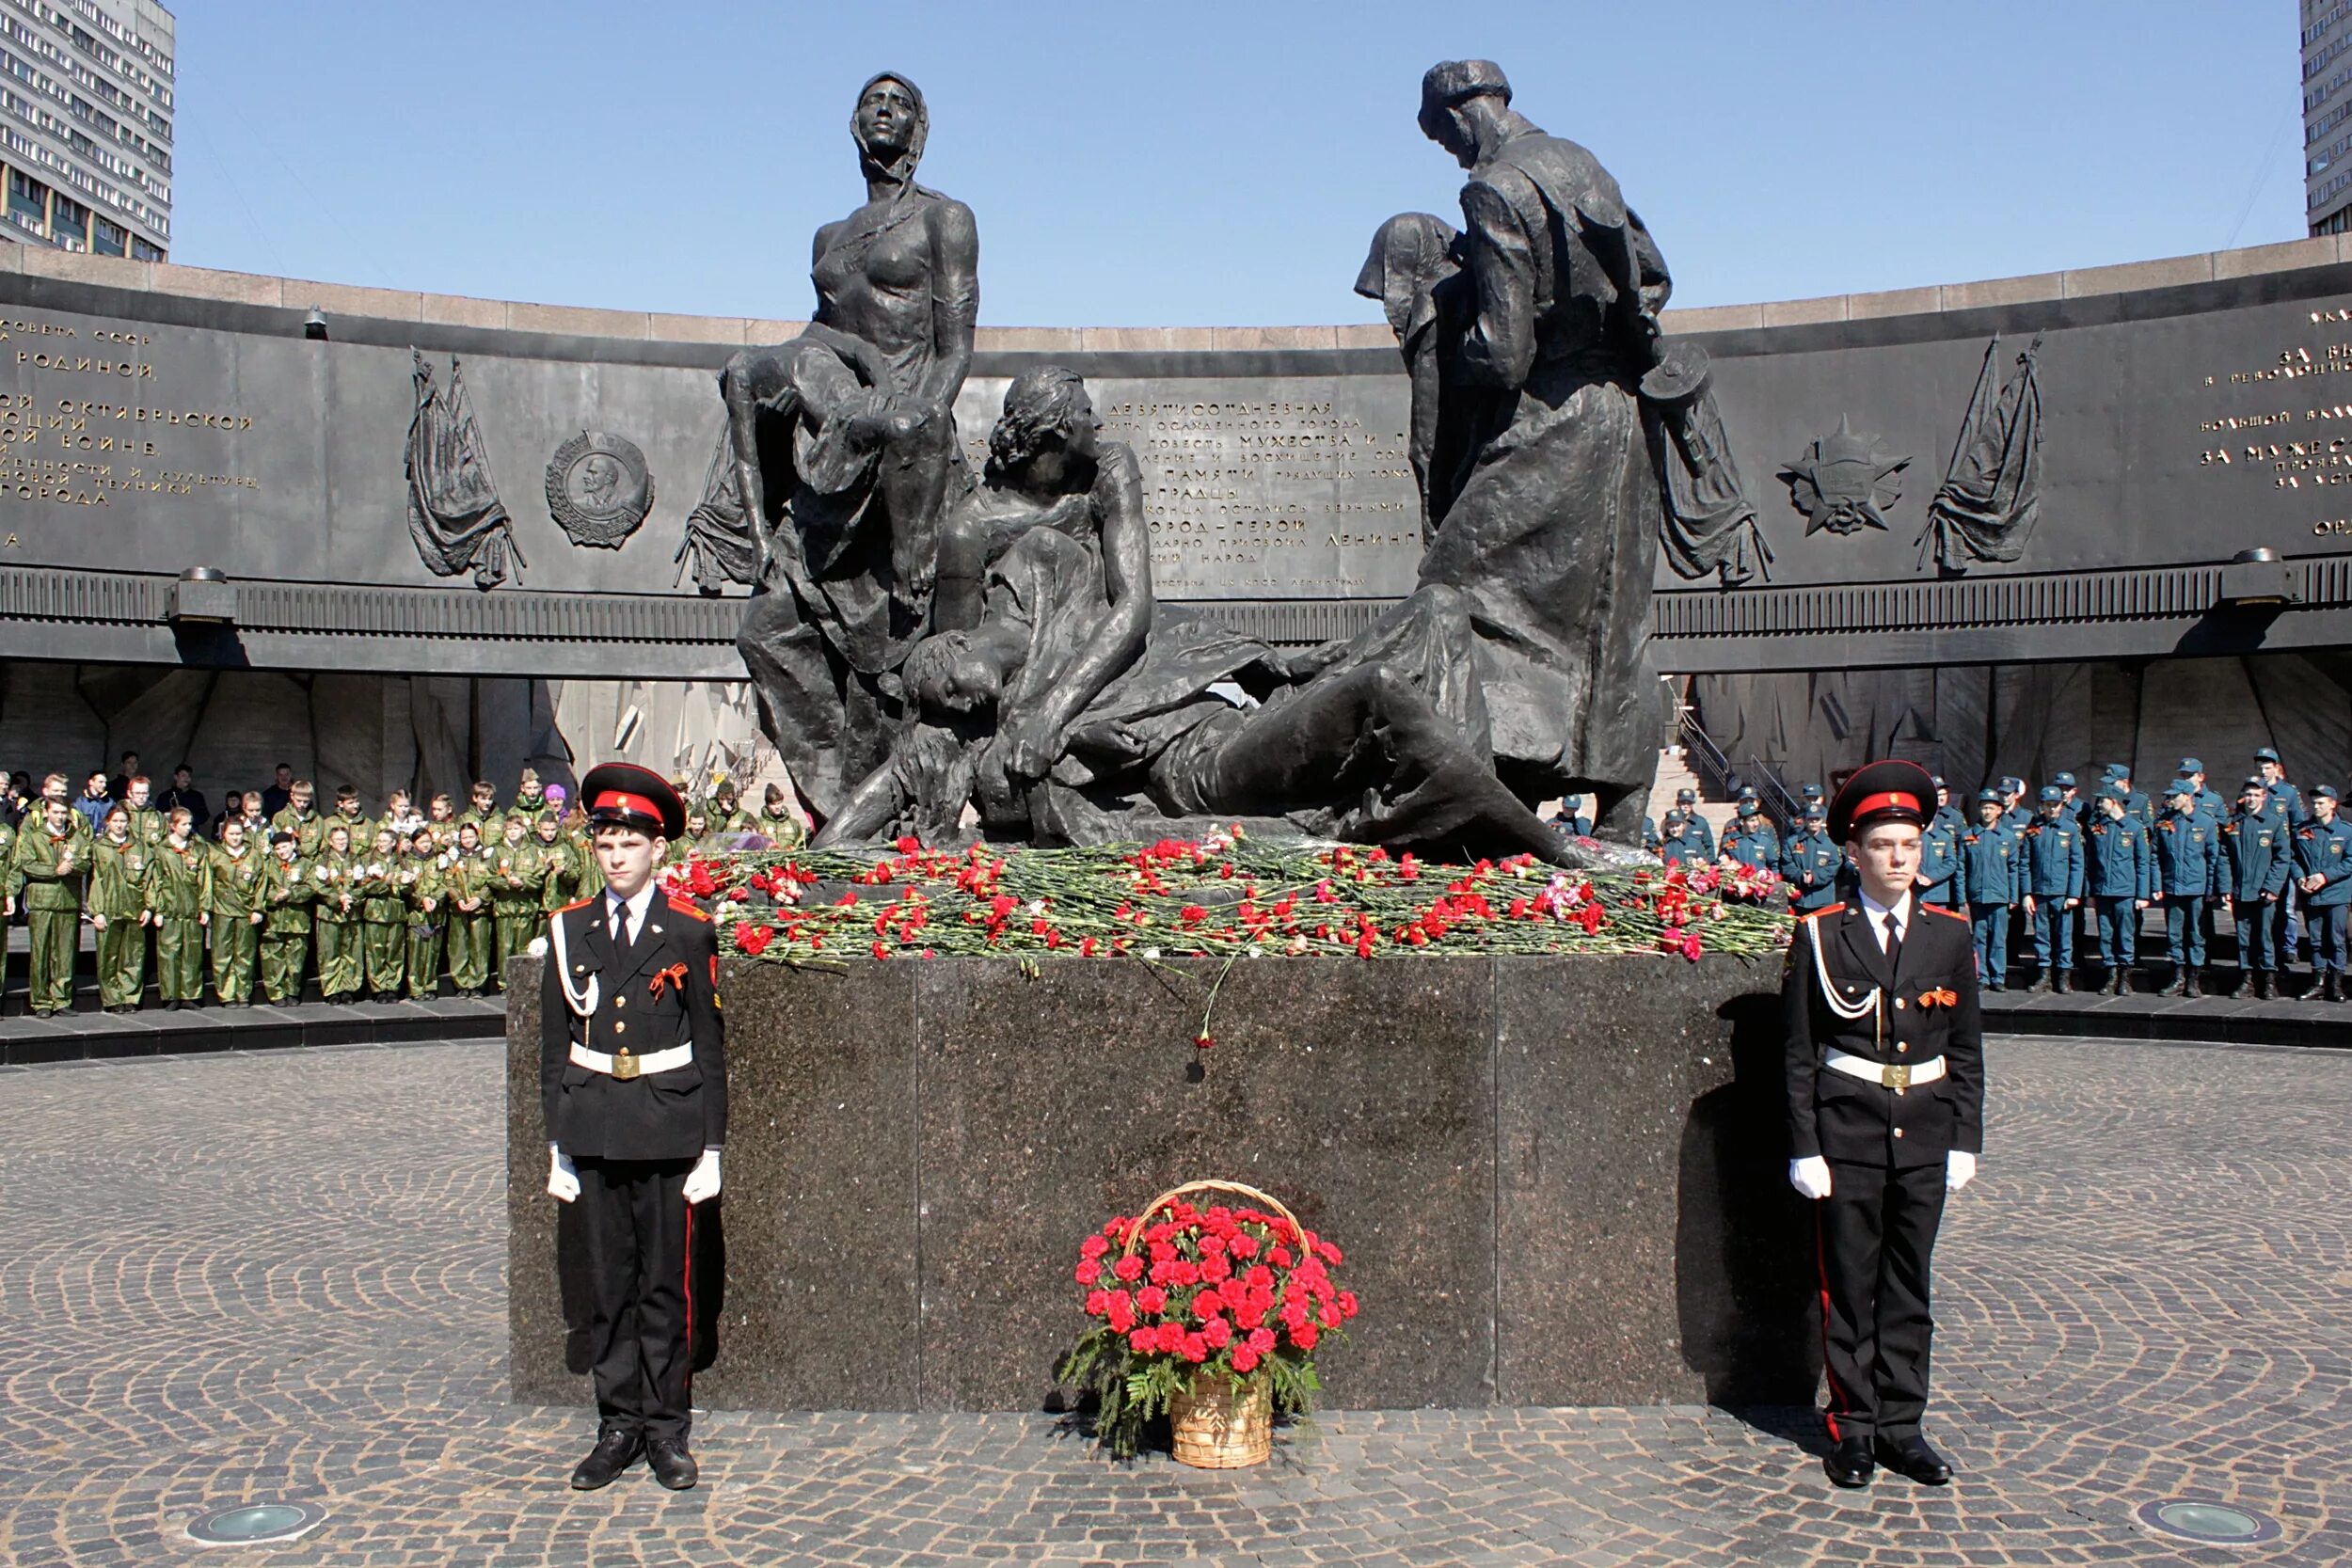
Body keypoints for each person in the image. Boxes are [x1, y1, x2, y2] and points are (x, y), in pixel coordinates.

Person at [1782, 759, 1982, 1490]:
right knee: (1850, 1289)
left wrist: (1965, 1137)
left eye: (1910, 844)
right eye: (1884, 846)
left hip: (1925, 1133)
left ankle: (1905, 1426)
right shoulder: (1822, 935)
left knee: (1910, 1287)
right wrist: (1806, 1146)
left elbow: (1966, 1048)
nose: (1899, 858)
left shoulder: (1950, 935)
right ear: (1853, 852)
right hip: (1850, 1137)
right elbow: (1800, 1053)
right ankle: (1853, 1428)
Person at [542, 764, 727, 1492]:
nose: (617, 857)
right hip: (594, 1126)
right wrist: (557, 1140)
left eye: (630, 843)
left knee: (664, 1287)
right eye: (607, 843)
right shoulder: (569, 930)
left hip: (668, 1127)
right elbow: (555, 1048)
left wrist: (712, 1145)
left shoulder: (686, 931)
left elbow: (708, 1047)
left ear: (659, 849)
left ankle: (666, 1428)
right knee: (609, 1286)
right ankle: (616, 1422)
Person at [9, 796, 85, 1014]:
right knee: (41, 953)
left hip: (68, 901)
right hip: (42, 900)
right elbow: (28, 864)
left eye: (64, 813)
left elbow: (86, 860)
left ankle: (61, 999)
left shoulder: (76, 837)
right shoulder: (34, 836)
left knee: (65, 954)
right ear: (46, 813)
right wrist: (54, 870)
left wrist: (74, 866)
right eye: (56, 812)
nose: (60, 817)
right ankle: (41, 1001)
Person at [2221, 776, 2291, 1000]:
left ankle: (2269, 981)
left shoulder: (2274, 823)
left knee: (2265, 937)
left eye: (2256, 794)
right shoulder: (2233, 824)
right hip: (2241, 891)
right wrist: (2226, 887)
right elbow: (2224, 858)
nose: (2251, 798)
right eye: (2248, 794)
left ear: (2264, 796)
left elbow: (2282, 858)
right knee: (2244, 938)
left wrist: (2272, 887)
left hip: (2264, 893)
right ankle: (2247, 980)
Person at [2153, 779, 2222, 997]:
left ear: (2187, 796)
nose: (2170, 800)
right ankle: (2177, 978)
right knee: (2174, 934)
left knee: (2196, 934)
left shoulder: (2206, 822)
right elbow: (2155, 856)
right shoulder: (2164, 822)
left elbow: (2213, 858)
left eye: (2175, 796)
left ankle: (2194, 979)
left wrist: (2211, 889)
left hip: (2196, 888)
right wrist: (2157, 884)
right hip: (2173, 887)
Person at [2082, 783, 2153, 994]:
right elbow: (2091, 864)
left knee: (2125, 934)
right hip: (2103, 891)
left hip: (2125, 891)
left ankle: (2125, 975)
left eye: (2102, 800)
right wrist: (2091, 892)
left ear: (2113, 801)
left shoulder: (2135, 828)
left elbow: (2143, 863)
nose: (2098, 805)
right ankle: (2111, 973)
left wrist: (2142, 894)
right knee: (2105, 934)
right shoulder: (2099, 828)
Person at [2018, 786, 2083, 992]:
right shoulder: (2034, 828)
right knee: (2041, 935)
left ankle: (2064, 976)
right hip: (2039, 892)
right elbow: (2024, 863)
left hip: (2061, 892)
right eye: (2048, 805)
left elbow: (2077, 863)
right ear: (2042, 806)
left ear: (2062, 806)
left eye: (2056, 805)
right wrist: (2027, 893)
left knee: (2064, 935)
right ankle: (2044, 975)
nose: (2052, 809)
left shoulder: (2070, 828)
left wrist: (2073, 894)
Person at [2293, 784, 2352, 1002]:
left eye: (2321, 803)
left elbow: (2350, 862)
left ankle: (2336, 985)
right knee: (2316, 940)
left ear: (2332, 804)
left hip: (2336, 893)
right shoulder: (2302, 831)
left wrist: (2324, 877)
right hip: (2311, 895)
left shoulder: (2346, 831)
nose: (2316, 807)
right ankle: (2318, 982)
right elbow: (2293, 859)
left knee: (2336, 940)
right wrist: (2300, 877)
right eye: (2314, 803)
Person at [144, 809, 208, 1009]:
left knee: (192, 953)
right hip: (170, 909)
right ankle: (171, 995)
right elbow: (155, 881)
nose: (188, 828)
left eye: (190, 824)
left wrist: (205, 908)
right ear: (173, 825)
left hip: (191, 909)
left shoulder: (197, 849)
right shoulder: (161, 850)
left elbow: (205, 880)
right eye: (184, 824)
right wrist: (158, 910)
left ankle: (190, 994)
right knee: (169, 954)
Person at [88, 804, 150, 1013]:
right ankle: (112, 998)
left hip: (134, 908)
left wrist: (149, 907)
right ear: (107, 822)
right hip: (110, 908)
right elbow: (96, 879)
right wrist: (97, 911)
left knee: (132, 956)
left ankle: (130, 995)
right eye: (115, 821)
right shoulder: (100, 847)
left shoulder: (140, 847)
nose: (119, 825)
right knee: (108, 956)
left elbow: (150, 880)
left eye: (123, 821)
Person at [1960, 788, 2018, 990]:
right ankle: (1981, 977)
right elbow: (1961, 868)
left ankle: (1998, 977)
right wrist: (1962, 897)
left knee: (1999, 939)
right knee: (1979, 938)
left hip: (2000, 896)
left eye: (1991, 808)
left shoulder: (2008, 837)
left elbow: (2014, 869)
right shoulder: (1968, 836)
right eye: (1984, 808)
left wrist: (2014, 896)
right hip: (1977, 896)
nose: (1987, 812)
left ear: (1999, 811)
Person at [207, 816, 266, 1006]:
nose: (235, 837)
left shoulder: (253, 854)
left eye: (238, 834)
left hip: (246, 910)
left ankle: (243, 993)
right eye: (231, 834)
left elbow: (261, 883)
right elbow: (207, 882)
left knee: (245, 954)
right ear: (224, 834)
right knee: (222, 953)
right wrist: (207, 908)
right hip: (222, 909)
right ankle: (226, 994)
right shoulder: (215, 853)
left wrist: (258, 908)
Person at [259, 831, 316, 1005]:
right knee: (272, 959)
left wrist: (291, 894)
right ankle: (276, 994)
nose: (282, 851)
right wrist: (274, 896)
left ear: (293, 844)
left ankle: (293, 992)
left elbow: (311, 887)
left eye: (284, 847)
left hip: (297, 920)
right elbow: (261, 888)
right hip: (274, 919)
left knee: (296, 959)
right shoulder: (269, 865)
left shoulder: (306, 864)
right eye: (277, 848)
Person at [491, 814, 548, 988]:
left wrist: (523, 883)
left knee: (523, 946)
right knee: (505, 947)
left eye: (516, 828)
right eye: (509, 829)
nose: (512, 832)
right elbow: (490, 877)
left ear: (523, 830)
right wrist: (507, 883)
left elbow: (539, 879)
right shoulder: (498, 851)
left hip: (525, 907)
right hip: (505, 907)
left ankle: (523, 983)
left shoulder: (532, 851)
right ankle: (505, 983)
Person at [311, 822, 363, 1003]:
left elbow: (364, 884)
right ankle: (333, 989)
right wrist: (338, 898)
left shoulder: (355, 859)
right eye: (337, 840)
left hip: (351, 912)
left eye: (344, 839)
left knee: (350, 952)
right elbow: (317, 886)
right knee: (330, 952)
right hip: (329, 913)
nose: (341, 842)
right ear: (330, 842)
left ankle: (349, 987)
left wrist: (351, 897)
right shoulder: (323, 860)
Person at [446, 820, 495, 997]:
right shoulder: (453, 857)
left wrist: (480, 899)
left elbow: (492, 880)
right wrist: (457, 898)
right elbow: (448, 881)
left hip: (480, 910)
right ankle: (461, 984)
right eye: (464, 837)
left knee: (479, 947)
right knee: (459, 947)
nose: (468, 840)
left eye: (471, 837)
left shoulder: (487, 856)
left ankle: (477, 984)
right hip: (459, 909)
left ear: (477, 837)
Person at [1779, 801, 1843, 913]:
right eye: (1810, 819)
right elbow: (1786, 864)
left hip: (1823, 899)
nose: (1813, 822)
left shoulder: (1831, 843)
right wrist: (1800, 875)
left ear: (1822, 820)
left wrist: (1814, 876)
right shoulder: (1792, 842)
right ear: (1804, 820)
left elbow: (1834, 866)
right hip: (1799, 899)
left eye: (1816, 819)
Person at [1721, 791, 1780, 879]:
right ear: (1742, 822)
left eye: (1756, 820)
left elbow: (1775, 866)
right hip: (1734, 885)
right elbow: (1720, 861)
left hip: (1759, 887)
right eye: (1752, 821)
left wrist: (1772, 879)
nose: (1756, 824)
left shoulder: (1765, 840)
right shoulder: (1729, 839)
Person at [1915, 806, 1965, 910]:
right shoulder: (1913, 836)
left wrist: (1931, 877)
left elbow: (1951, 863)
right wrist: (1915, 875)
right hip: (1915, 893)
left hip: (1937, 895)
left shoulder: (1944, 836)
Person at [157, 763, 207, 836]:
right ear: (176, 777)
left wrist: (188, 817)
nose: (187, 778)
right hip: (170, 833)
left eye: (189, 776)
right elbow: (159, 816)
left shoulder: (197, 796)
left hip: (191, 833)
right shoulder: (165, 796)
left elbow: (204, 815)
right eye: (183, 776)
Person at [71, 768, 112, 837]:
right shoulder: (80, 803)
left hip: (103, 842)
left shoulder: (110, 803)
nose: (104, 785)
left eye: (105, 782)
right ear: (91, 782)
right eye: (101, 782)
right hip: (85, 841)